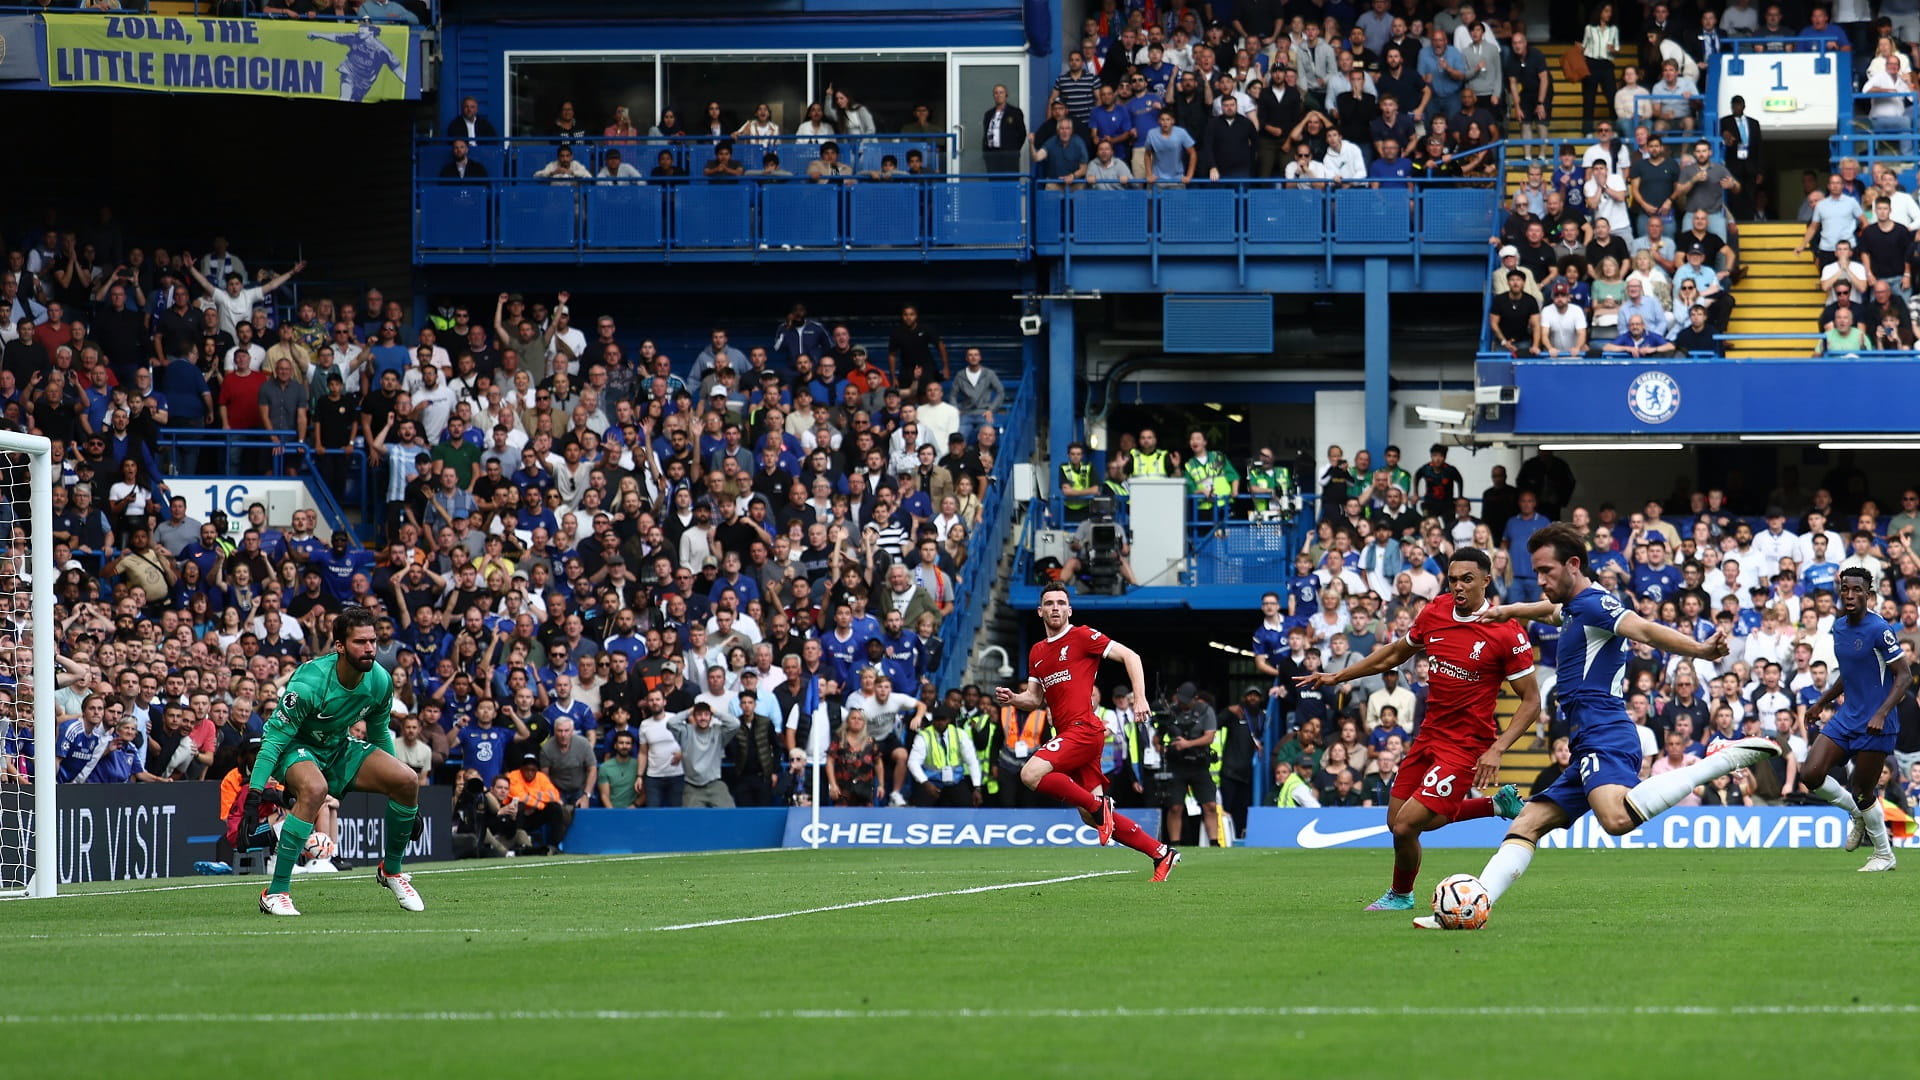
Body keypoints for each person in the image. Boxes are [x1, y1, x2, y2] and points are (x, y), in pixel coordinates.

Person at [1412, 524, 1782, 928]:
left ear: (1573, 564)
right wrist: (1507, 610)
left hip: (1604, 728)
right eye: (1535, 572)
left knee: (1616, 819)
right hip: (1585, 737)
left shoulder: (1594, 604)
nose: (1540, 580)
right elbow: (1550, 611)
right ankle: (1471, 909)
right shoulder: (1573, 608)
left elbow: (1641, 627)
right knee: (1527, 823)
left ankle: (1718, 760)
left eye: (1547, 571)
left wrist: (1700, 650)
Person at [1295, 547, 1536, 911]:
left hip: (1467, 744)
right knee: (1396, 824)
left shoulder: (1506, 631)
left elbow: (1531, 701)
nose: (1458, 587)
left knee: (1408, 825)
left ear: (1487, 581)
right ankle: (1493, 805)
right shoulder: (1436, 611)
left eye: (1467, 580)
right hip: (1429, 735)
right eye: (1453, 579)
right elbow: (1394, 653)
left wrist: (1498, 748)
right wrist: (1338, 675)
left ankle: (1402, 895)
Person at [239, 606, 425, 916]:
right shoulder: (309, 682)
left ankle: (391, 870)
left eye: (372, 641)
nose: (369, 649)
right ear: (339, 645)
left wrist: (402, 796)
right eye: (359, 642)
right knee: (314, 787)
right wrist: (254, 794)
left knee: (407, 780)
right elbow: (273, 740)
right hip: (296, 746)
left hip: (338, 746)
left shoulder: (379, 680)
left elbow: (379, 734)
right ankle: (275, 893)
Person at [995, 583, 1179, 879]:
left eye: (1061, 603)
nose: (1055, 607)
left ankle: (1099, 805)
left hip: (1083, 729)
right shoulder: (1037, 652)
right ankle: (1160, 853)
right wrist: (1015, 700)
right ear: (1039, 611)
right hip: (1068, 734)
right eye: (1049, 603)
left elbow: (1132, 657)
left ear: (1070, 609)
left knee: (1030, 774)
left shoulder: (1081, 636)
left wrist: (1141, 697)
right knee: (1090, 817)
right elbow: (1034, 699)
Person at [1800, 567, 1910, 871]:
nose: (1850, 595)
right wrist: (1820, 702)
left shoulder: (1880, 629)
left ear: (1868, 594)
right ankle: (1856, 813)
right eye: (1845, 589)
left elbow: (1905, 676)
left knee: (1863, 790)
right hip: (1848, 717)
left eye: (1857, 590)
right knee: (1810, 773)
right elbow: (1847, 675)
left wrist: (1881, 712)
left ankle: (1884, 854)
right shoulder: (1840, 627)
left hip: (1877, 723)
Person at [907, 705, 982, 806]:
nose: (940, 722)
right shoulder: (924, 735)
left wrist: (977, 787)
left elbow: (972, 761)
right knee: (922, 811)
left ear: (949, 720)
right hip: (931, 782)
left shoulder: (959, 734)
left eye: (943, 719)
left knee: (967, 809)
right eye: (937, 719)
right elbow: (913, 762)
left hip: (955, 781)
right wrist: (925, 783)